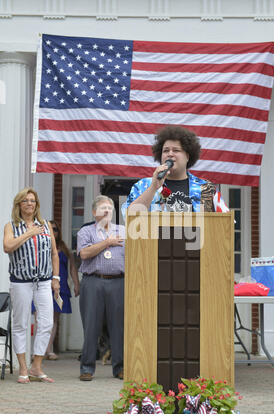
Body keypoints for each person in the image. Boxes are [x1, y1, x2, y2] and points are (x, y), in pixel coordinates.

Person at [3, 187, 59, 384]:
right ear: (19, 204)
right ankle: (23, 369)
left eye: (33, 201)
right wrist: (29, 234)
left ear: (37, 205)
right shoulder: (11, 226)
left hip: (43, 281)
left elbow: (54, 253)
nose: (29, 204)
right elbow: (7, 246)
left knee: (47, 323)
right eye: (25, 201)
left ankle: (36, 365)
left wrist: (56, 278)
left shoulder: (45, 225)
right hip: (21, 282)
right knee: (20, 324)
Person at [77, 195, 125, 381]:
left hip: (118, 282)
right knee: (91, 326)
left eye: (110, 208)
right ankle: (87, 368)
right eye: (103, 208)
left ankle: (120, 368)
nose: (107, 211)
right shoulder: (86, 232)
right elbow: (84, 253)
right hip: (93, 282)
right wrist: (107, 242)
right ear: (94, 212)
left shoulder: (123, 230)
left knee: (118, 327)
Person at [122, 125, 219, 214]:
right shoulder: (143, 185)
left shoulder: (206, 188)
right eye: (166, 151)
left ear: (188, 156)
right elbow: (128, 217)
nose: (170, 154)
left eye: (176, 150)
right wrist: (153, 188)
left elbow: (225, 224)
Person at [43, 220, 80, 360]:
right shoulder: (42, 245)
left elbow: (72, 268)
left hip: (61, 286)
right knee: (41, 318)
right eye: (50, 229)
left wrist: (76, 284)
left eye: (55, 229)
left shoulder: (64, 248)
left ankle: (49, 349)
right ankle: (39, 350)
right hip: (44, 285)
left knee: (54, 319)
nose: (53, 231)